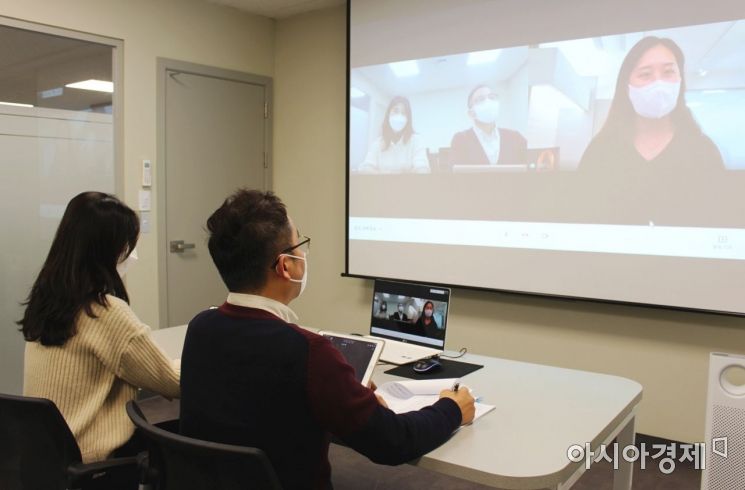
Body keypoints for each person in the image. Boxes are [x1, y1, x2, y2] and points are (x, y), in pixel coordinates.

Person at [179, 189, 474, 490]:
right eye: (300, 244)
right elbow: (392, 442)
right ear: (285, 266)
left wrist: (347, 397)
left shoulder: (200, 327)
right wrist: (451, 409)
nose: (304, 254)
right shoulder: (308, 351)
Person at [19, 191, 180, 466]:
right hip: (91, 462)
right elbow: (172, 383)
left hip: (44, 461)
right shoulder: (104, 312)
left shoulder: (46, 302)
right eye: (126, 246)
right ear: (106, 250)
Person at [579, 36, 724, 175]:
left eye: (668, 72)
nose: (658, 84)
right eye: (645, 74)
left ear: (680, 80)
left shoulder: (703, 150)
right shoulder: (601, 151)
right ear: (626, 86)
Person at [449, 84, 527, 166]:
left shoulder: (515, 137)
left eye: (492, 97)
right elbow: (456, 176)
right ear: (471, 113)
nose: (488, 102)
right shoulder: (461, 139)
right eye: (480, 99)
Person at [359, 96, 430, 173]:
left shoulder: (416, 140)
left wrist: (400, 177)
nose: (399, 116)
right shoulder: (378, 143)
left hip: (408, 185)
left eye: (404, 113)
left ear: (408, 119)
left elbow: (423, 169)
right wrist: (388, 175)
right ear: (388, 114)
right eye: (396, 111)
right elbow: (366, 168)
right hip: (382, 185)